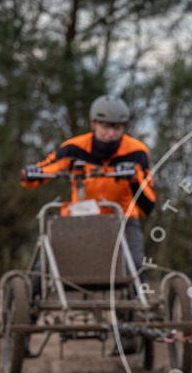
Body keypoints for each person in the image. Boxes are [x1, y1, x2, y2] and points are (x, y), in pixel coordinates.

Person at [20, 95, 156, 354]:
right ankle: (25, 328)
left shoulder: (137, 152)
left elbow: (149, 203)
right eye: (105, 126)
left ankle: (128, 331)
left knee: (136, 265)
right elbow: (47, 168)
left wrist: (133, 177)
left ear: (124, 128)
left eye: (116, 128)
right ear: (94, 124)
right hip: (79, 221)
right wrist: (30, 174)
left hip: (122, 221)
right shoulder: (74, 148)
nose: (110, 133)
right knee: (41, 271)